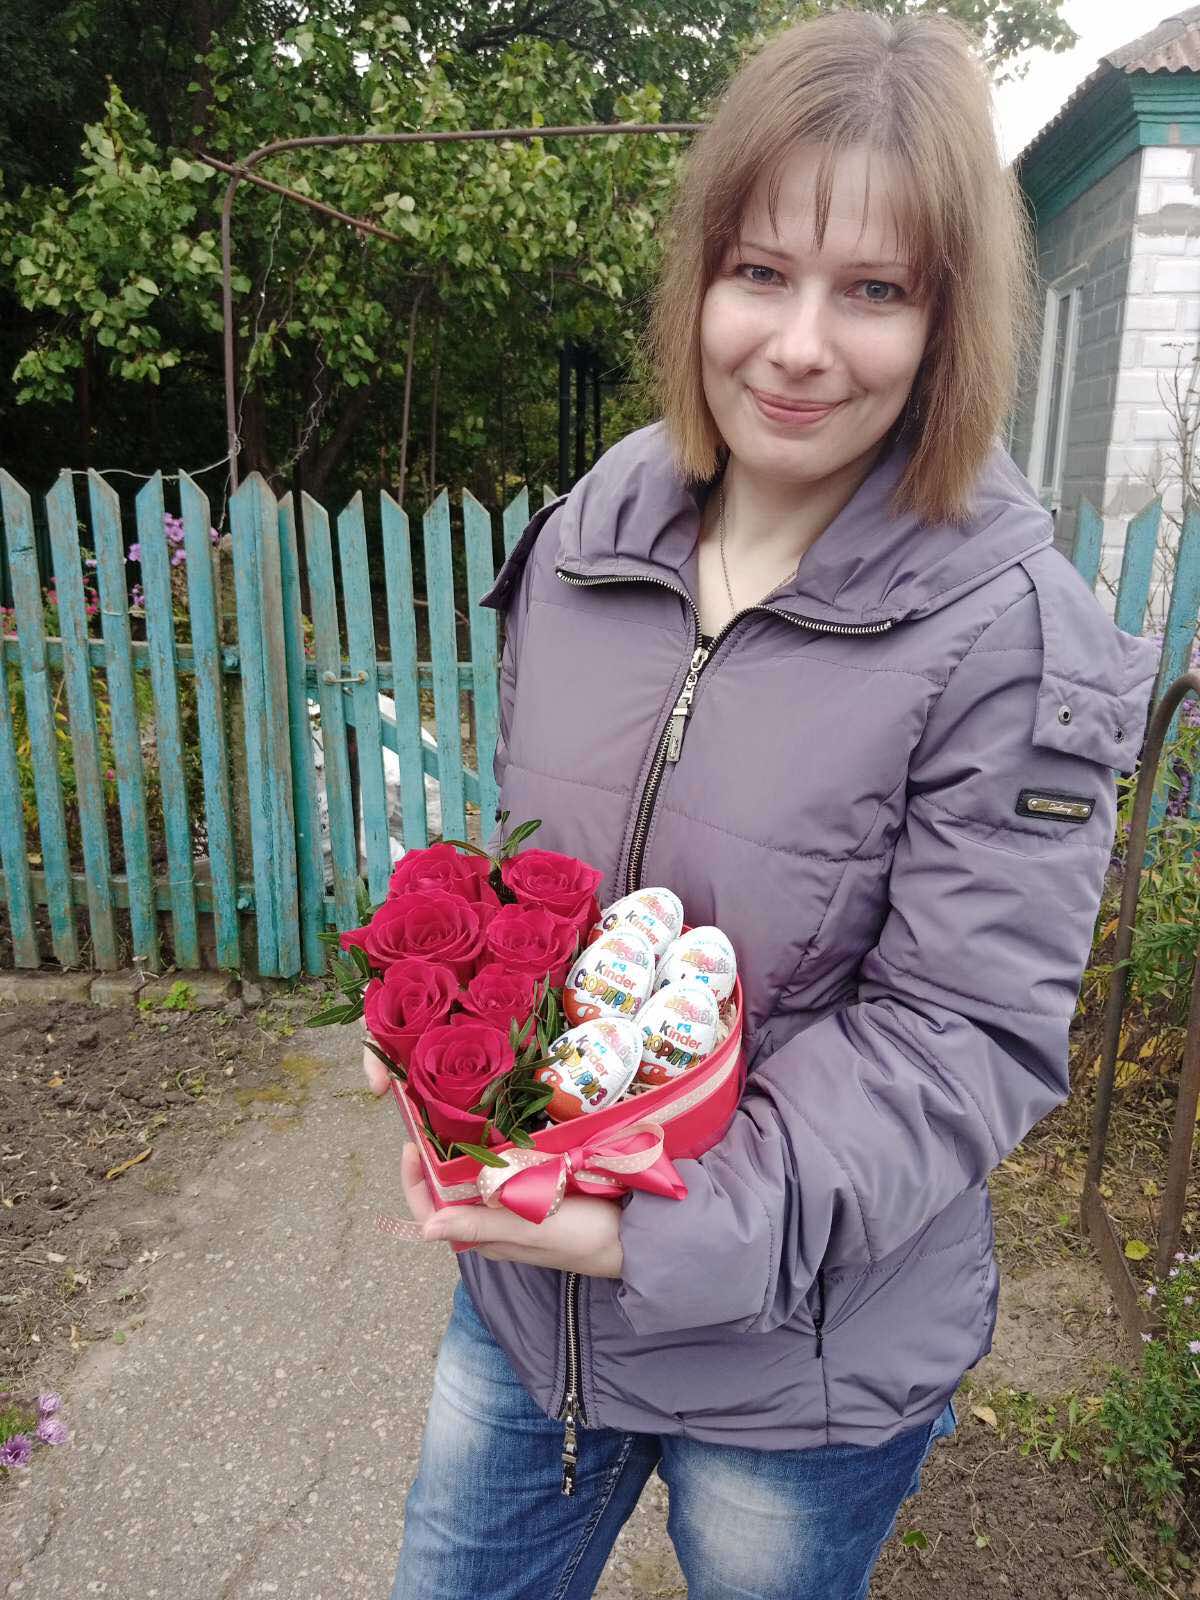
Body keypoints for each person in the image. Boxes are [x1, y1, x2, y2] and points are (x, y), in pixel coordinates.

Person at [364, 11, 1161, 1598]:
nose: (799, 344)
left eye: (875, 290)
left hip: (805, 1370)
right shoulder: (591, 538)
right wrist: (449, 1035)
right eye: (760, 272)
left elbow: (962, 1036)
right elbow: (556, 897)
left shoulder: (1010, 632)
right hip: (530, 1321)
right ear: (699, 282)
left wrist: (655, 1232)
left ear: (949, 323)